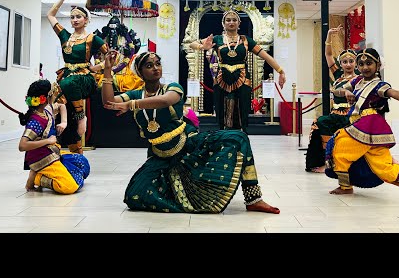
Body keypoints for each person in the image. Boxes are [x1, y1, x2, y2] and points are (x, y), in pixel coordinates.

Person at [101, 50, 280, 214]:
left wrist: (131, 105)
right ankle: (177, 191)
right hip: (160, 155)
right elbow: (109, 102)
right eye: (149, 66)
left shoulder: (172, 87)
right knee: (134, 196)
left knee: (237, 137)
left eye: (157, 63)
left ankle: (253, 198)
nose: (155, 68)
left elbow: (165, 101)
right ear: (140, 72)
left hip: (188, 145)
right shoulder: (136, 95)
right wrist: (107, 71)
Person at [325, 48, 399, 203]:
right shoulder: (357, 82)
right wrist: (345, 92)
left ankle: (346, 187)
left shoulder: (379, 85)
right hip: (362, 127)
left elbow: (394, 93)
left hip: (368, 125)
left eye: (369, 63)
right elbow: (336, 90)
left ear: (377, 66)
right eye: (361, 64)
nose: (365, 67)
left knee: (339, 146)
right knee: (383, 168)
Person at [189, 9, 286, 133]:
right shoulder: (217, 39)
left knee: (242, 110)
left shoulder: (246, 40)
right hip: (221, 79)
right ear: (223, 23)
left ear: (239, 23)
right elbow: (192, 44)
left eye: (234, 20)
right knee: (221, 110)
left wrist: (280, 71)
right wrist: (202, 46)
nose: (231, 22)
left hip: (243, 79)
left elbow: (265, 56)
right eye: (228, 20)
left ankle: (241, 139)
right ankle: (223, 140)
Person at [46, 0, 109, 153]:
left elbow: (113, 57)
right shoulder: (65, 36)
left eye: (78, 17)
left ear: (86, 20)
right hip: (67, 75)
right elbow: (50, 15)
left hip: (84, 78)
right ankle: (69, 151)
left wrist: (97, 68)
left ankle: (82, 118)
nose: (74, 20)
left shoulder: (92, 38)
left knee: (69, 83)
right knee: (53, 100)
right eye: (72, 17)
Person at [18, 79, 90, 194]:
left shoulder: (47, 110)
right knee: (70, 186)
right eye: (53, 93)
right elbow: (22, 145)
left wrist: (64, 122)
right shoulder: (36, 121)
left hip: (53, 154)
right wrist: (48, 141)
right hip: (42, 159)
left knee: (82, 163)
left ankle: (43, 173)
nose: (56, 95)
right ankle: (37, 178)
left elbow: (61, 106)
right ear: (46, 97)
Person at [305, 25, 360, 173]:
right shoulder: (337, 75)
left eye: (351, 61)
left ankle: (332, 162)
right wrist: (329, 35)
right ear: (340, 64)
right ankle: (322, 161)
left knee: (328, 127)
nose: (348, 64)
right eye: (345, 61)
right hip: (335, 113)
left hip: (349, 116)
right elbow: (328, 55)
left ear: (355, 63)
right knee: (318, 125)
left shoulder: (359, 79)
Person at [92, 16, 143, 92]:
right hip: (102, 71)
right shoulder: (103, 38)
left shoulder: (125, 39)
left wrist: (115, 70)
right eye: (111, 27)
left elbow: (130, 52)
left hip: (122, 73)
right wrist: (101, 66)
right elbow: (96, 53)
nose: (113, 31)